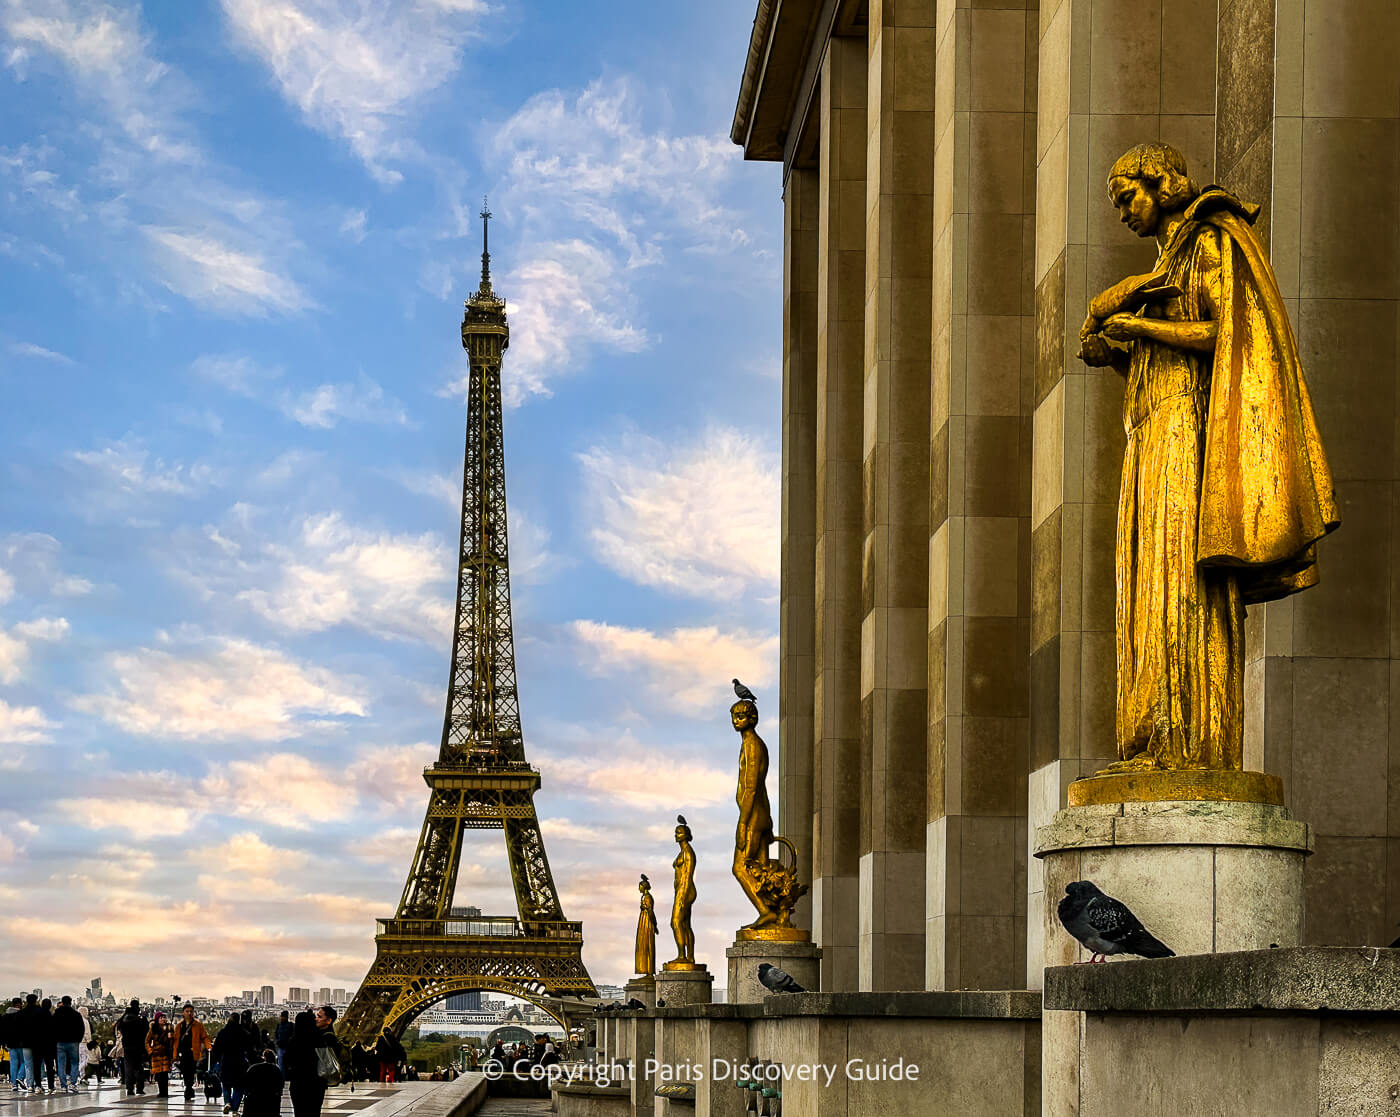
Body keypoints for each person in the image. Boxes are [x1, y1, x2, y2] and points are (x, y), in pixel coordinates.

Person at [1079, 142, 1338, 774]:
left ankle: (1185, 741)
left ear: (1161, 184)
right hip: (1148, 429)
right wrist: (1112, 342)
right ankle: (1147, 738)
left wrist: (1140, 327)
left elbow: (1226, 331)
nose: (1121, 212)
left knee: (1178, 576)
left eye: (1126, 196)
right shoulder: (1162, 262)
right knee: (1147, 583)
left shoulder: (1211, 239)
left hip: (1187, 431)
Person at [285, 1007, 341, 1117]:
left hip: (298, 1083)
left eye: (319, 1017)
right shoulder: (319, 1039)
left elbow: (287, 1061)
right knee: (314, 1112)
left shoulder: (293, 1040)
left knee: (299, 1112)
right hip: (316, 1084)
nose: (316, 1020)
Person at [172, 1004, 211, 1102]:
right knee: (185, 1072)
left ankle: (188, 1089)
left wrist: (208, 1046)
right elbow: (175, 1040)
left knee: (191, 1071)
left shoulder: (198, 1025)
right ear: (183, 1013)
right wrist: (175, 1054)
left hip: (193, 1052)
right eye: (187, 1011)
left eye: (191, 1011)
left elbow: (204, 1037)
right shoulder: (178, 1026)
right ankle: (188, 1089)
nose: (189, 1013)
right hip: (182, 1052)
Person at [213, 1011, 248, 1114]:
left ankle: (227, 1102)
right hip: (239, 1062)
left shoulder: (223, 1032)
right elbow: (248, 1047)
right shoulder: (243, 1032)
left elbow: (216, 1049)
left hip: (226, 1061)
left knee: (226, 1084)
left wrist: (217, 1060)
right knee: (239, 1087)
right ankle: (234, 1108)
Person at [115, 999, 149, 1096]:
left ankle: (130, 1089)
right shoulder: (139, 1020)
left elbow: (120, 1029)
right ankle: (139, 1088)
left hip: (127, 1046)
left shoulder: (123, 1020)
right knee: (139, 1067)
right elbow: (146, 1031)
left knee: (128, 1068)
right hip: (138, 1046)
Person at [52, 996, 84, 1093]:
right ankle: (73, 1084)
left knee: (61, 1064)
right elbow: (81, 1028)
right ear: (70, 1003)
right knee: (74, 1063)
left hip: (60, 1042)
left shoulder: (56, 1014)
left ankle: (63, 1085)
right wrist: (78, 1039)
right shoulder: (76, 1014)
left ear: (62, 1002)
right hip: (73, 1041)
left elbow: (52, 1028)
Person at [242, 1049, 285, 1117]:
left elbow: (246, 1083)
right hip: (271, 1100)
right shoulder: (276, 1069)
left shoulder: (253, 1068)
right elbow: (280, 1086)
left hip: (253, 1100)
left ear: (263, 1057)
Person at [146, 1011, 175, 1097]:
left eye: (164, 1017)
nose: (163, 1019)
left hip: (166, 1053)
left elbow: (173, 1042)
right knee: (159, 1074)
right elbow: (147, 1041)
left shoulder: (169, 1028)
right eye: (161, 1018)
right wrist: (150, 1051)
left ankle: (165, 1092)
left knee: (165, 1073)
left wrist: (171, 1037)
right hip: (156, 1054)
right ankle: (161, 1091)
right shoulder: (153, 1029)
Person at [33, 998, 56, 1093]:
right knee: (50, 1066)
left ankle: (38, 1085)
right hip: (48, 1045)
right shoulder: (50, 1016)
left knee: (37, 1066)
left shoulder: (36, 1015)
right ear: (50, 1006)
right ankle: (51, 1086)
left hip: (37, 1044)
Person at [2, 997, 24, 1091]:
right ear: (19, 1004)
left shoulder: (5, 1016)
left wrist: (4, 1043)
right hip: (21, 1043)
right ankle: (20, 1076)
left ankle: (14, 1084)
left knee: (13, 1063)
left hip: (10, 1043)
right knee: (24, 1062)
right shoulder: (21, 1014)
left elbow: (2, 1030)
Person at [77, 1004, 94, 1086]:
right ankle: (82, 1076)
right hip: (84, 1043)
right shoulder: (85, 1021)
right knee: (85, 1060)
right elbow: (87, 1033)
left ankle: (79, 1075)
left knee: (79, 1060)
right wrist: (89, 1041)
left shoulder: (76, 1020)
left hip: (77, 1043)